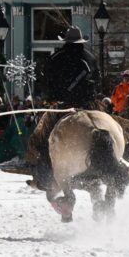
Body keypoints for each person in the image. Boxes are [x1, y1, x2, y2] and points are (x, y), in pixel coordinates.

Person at [26, 26, 99, 190]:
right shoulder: (90, 58)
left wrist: (50, 98)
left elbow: (46, 84)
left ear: (65, 41)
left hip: (61, 107)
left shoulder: (55, 58)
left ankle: (45, 177)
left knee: (43, 139)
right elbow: (98, 82)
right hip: (88, 105)